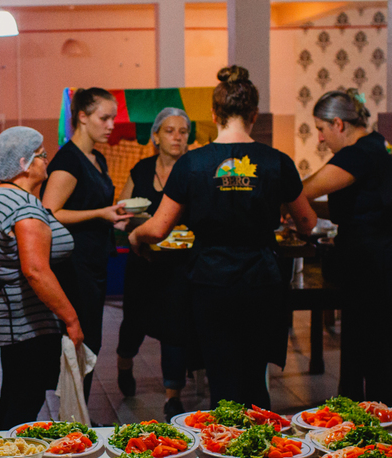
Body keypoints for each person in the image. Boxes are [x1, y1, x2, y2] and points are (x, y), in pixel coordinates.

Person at [129, 66, 317, 407]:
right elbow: (307, 221)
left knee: (222, 377)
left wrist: (135, 237)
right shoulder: (277, 162)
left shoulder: (192, 163)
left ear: (214, 115)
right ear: (254, 115)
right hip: (261, 278)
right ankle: (259, 451)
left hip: (210, 280)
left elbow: (158, 228)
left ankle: (225, 451)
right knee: (255, 376)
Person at [300, 89, 392, 403]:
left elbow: (307, 189)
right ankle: (363, 418)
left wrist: (288, 202)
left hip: (376, 264)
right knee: (370, 346)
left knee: (373, 351)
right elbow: (362, 206)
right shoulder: (381, 145)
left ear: (338, 124)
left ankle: (376, 424)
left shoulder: (358, 153)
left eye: (321, 129)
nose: (320, 139)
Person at [0, 127, 83, 429]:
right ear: (24, 163)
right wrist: (71, 319)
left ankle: (3, 453)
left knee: (14, 392)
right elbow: (36, 272)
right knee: (25, 398)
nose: (47, 161)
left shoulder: (2, 196)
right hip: (22, 318)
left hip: (12, 313)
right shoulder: (22, 209)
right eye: (42, 155)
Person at [42, 87, 132, 399]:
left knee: (92, 341)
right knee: (81, 340)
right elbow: (50, 212)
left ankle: (78, 413)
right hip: (74, 265)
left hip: (95, 261)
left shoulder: (97, 159)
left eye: (113, 118)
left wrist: (113, 218)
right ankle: (72, 417)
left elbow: (94, 209)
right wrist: (100, 213)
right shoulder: (69, 160)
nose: (111, 125)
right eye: (104, 118)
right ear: (82, 117)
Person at [116, 107, 195, 419]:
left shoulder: (192, 170)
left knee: (176, 328)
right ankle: (124, 363)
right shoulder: (141, 169)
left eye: (183, 131)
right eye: (170, 131)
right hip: (143, 262)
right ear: (156, 137)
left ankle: (172, 396)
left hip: (178, 264)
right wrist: (135, 223)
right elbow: (121, 210)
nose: (177, 137)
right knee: (133, 324)